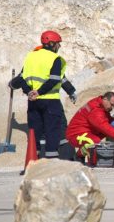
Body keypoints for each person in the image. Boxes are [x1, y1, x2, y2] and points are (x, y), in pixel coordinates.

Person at [9, 30, 69, 164]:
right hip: (50, 101)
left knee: (35, 132)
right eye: (58, 44)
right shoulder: (55, 59)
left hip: (33, 102)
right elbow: (54, 80)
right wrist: (39, 92)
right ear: (52, 43)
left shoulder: (31, 56)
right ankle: (51, 164)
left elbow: (22, 78)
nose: (59, 47)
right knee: (52, 131)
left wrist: (29, 92)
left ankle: (34, 164)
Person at [66, 92, 114, 160]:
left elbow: (105, 117)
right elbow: (102, 125)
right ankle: (78, 156)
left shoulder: (101, 105)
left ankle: (94, 154)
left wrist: (112, 122)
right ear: (105, 99)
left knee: (108, 132)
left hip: (85, 131)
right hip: (75, 134)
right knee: (94, 142)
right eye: (111, 104)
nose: (112, 107)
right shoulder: (95, 109)